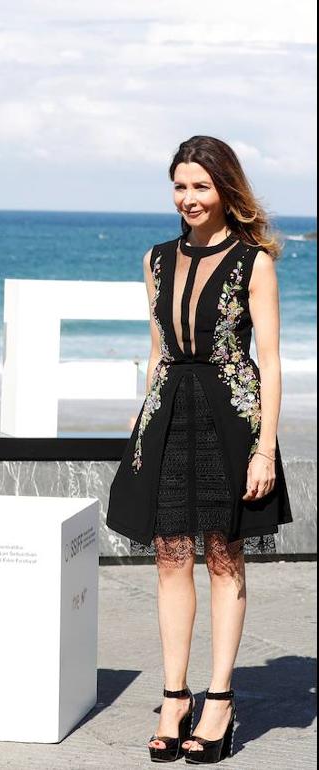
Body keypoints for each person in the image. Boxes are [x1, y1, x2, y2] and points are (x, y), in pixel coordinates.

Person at [107, 136, 291, 764]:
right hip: (166, 418)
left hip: (231, 422)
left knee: (222, 557)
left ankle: (219, 700)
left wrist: (265, 449)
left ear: (225, 189)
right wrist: (139, 432)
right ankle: (174, 696)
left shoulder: (252, 262)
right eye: (180, 186)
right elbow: (158, 353)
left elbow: (268, 361)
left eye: (201, 186)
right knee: (169, 559)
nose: (189, 198)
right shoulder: (155, 260)